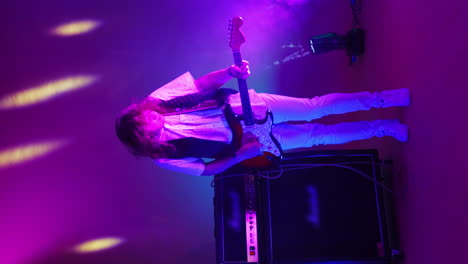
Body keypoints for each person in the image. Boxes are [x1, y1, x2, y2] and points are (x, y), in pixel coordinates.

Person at [115, 61, 410, 176]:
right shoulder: (163, 157)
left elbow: (201, 85)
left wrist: (229, 73)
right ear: (144, 139)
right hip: (253, 141)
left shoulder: (157, 101)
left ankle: (382, 99)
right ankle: (383, 128)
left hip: (248, 106)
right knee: (318, 136)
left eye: (147, 115)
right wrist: (241, 155)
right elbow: (206, 170)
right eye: (147, 127)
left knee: (314, 107)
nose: (153, 118)